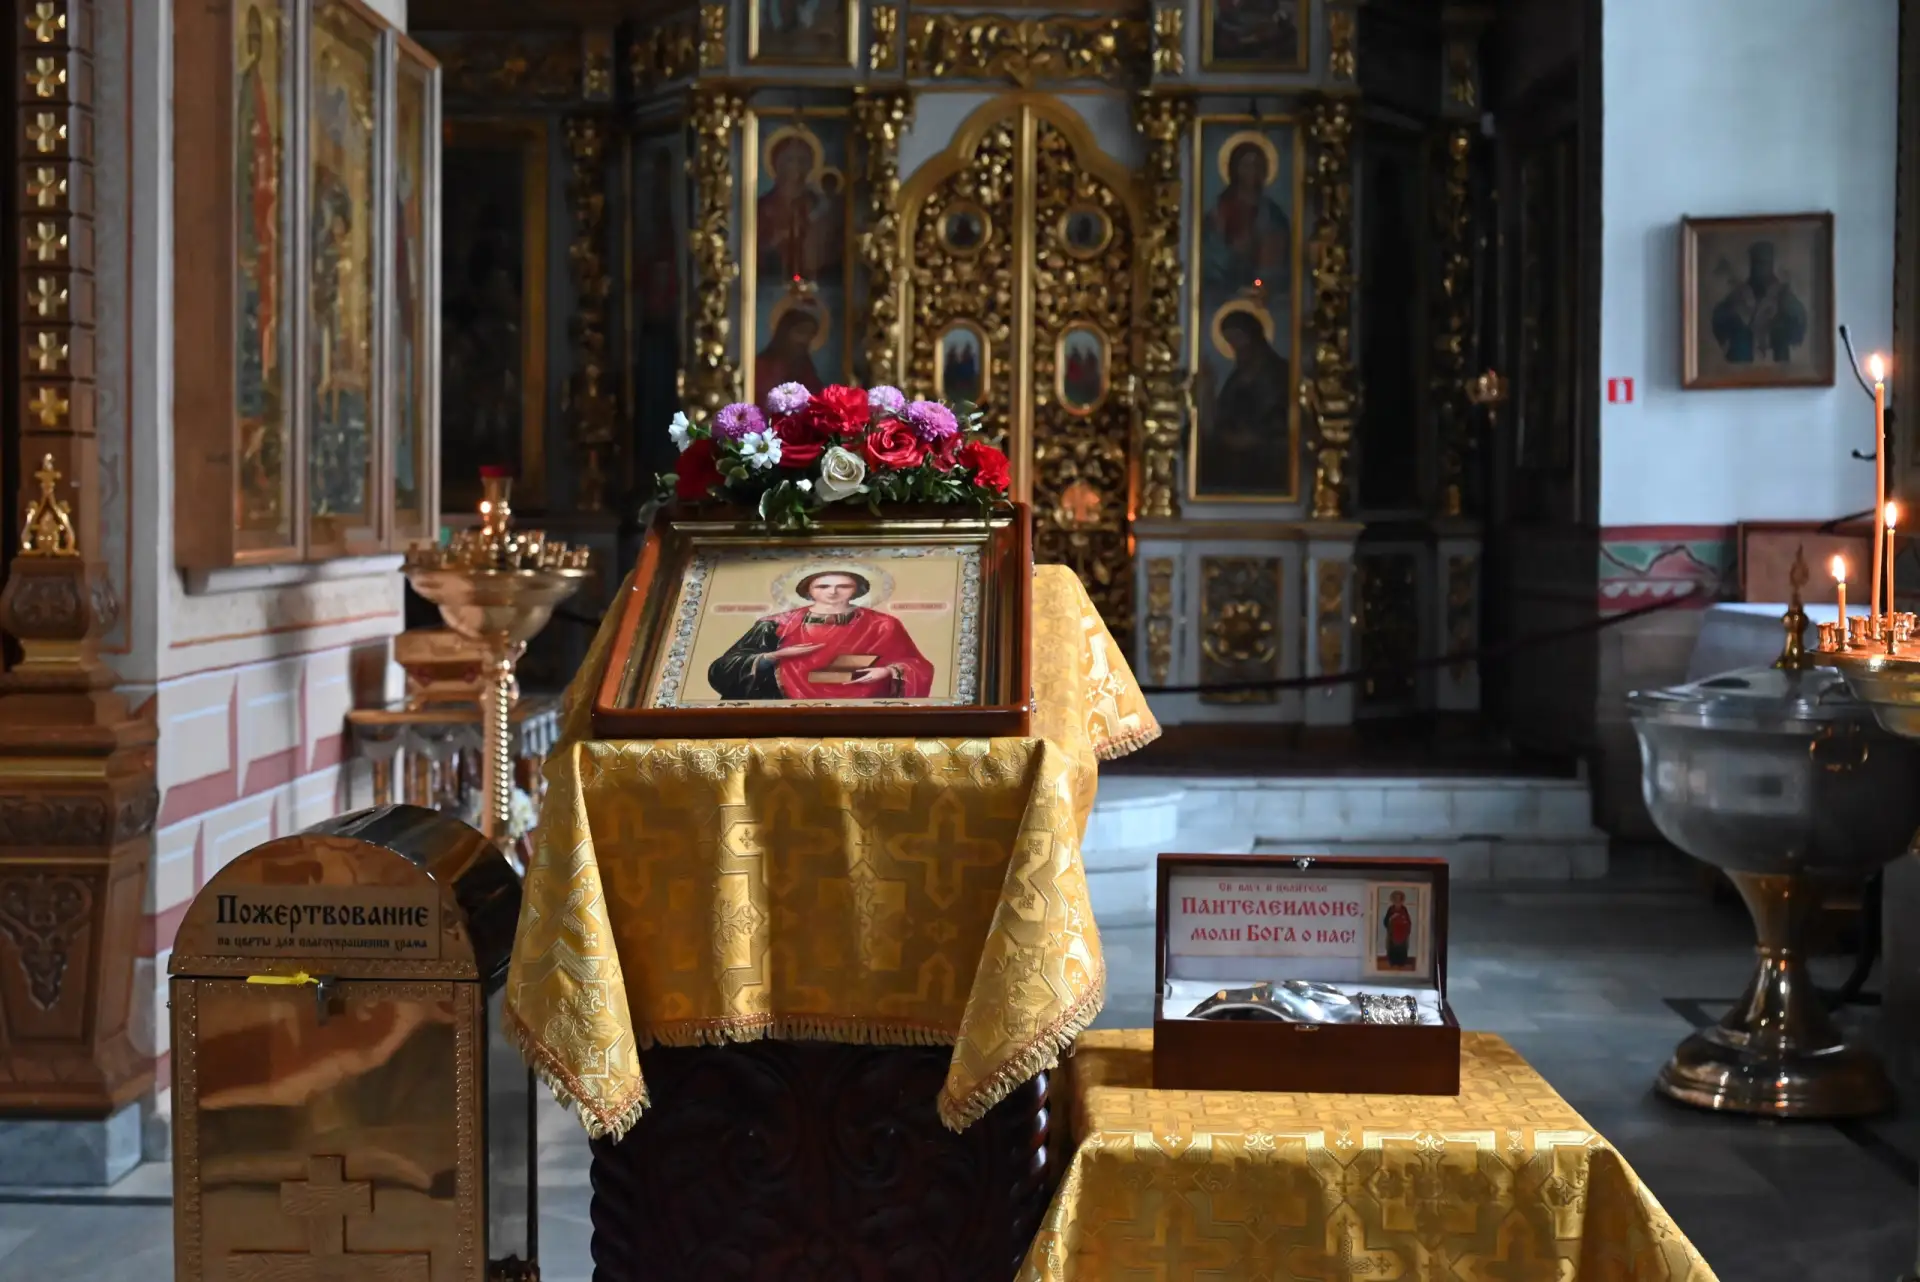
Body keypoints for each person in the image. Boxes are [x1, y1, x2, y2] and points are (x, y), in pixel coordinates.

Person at [708, 571, 934, 700]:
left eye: (843, 586)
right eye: (823, 586)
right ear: (808, 590)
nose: (833, 592)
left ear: (856, 590)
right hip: (785, 709)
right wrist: (774, 656)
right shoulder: (774, 625)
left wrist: (888, 671)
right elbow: (723, 668)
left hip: (861, 712)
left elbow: (916, 665)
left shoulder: (883, 624)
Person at [1197, 310, 1291, 494]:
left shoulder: (1281, 372)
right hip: (1233, 453)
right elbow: (1222, 417)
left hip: (1268, 454)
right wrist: (1207, 391)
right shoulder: (1236, 378)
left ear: (1254, 336)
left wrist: (1255, 438)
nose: (1236, 347)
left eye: (1238, 339)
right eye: (1230, 341)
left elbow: (1285, 417)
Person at [1203, 141, 1291, 295]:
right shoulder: (1219, 211)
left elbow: (1281, 261)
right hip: (1224, 289)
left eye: (1257, 165)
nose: (1252, 171)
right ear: (1234, 169)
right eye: (1246, 165)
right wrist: (1233, 253)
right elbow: (1210, 256)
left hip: (1263, 290)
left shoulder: (1273, 214)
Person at [1711, 241, 1808, 366]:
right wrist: (1733, 312)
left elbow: (1799, 321)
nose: (1760, 269)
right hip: (1741, 367)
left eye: (1764, 263)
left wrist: (1784, 312)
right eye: (1756, 263)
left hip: (1778, 367)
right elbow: (1719, 319)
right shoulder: (1739, 293)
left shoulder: (1782, 293)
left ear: (1771, 265)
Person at [754, 308, 825, 403]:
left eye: (810, 334)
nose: (805, 339)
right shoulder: (763, 365)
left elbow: (816, 396)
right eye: (801, 332)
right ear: (785, 333)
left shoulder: (806, 367)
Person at [1382, 890, 1413, 969]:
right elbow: (1386, 921)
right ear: (1393, 900)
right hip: (1393, 933)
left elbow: (1408, 921)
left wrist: (1404, 922)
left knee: (1402, 948)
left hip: (1402, 932)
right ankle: (1393, 962)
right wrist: (1392, 918)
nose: (1397, 901)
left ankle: (1401, 963)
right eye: (1396, 899)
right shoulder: (1391, 909)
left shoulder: (1404, 909)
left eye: (1399, 899)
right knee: (1393, 948)